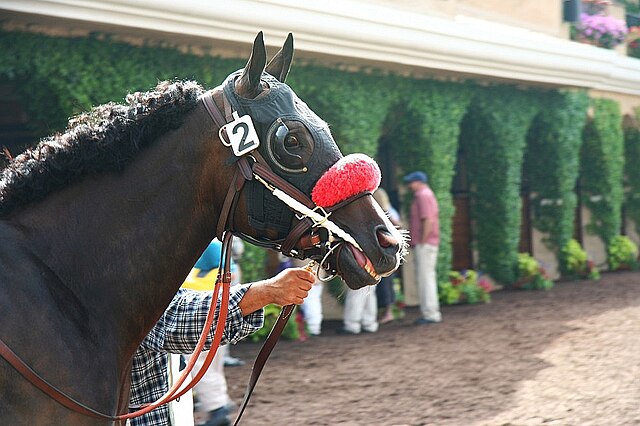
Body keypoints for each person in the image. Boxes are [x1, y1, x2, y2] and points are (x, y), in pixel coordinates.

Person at [128, 243, 315, 426]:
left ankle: (217, 408)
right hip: (208, 311)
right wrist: (266, 292)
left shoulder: (210, 246)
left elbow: (170, 315)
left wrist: (266, 292)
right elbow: (166, 316)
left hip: (208, 308)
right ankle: (217, 406)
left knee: (205, 363)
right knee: (208, 363)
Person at [403, 171, 442, 325]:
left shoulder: (422, 195)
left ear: (418, 182)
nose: (409, 185)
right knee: (427, 278)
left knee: (425, 279)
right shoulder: (427, 194)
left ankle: (430, 313)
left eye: (411, 182)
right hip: (428, 243)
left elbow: (427, 220)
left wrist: (422, 241)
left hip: (425, 243)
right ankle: (431, 312)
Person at [372, 188, 401, 324]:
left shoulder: (385, 212)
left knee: (385, 284)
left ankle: (387, 313)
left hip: (384, 252)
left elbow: (397, 226)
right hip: (389, 252)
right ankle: (387, 312)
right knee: (386, 283)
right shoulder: (391, 209)